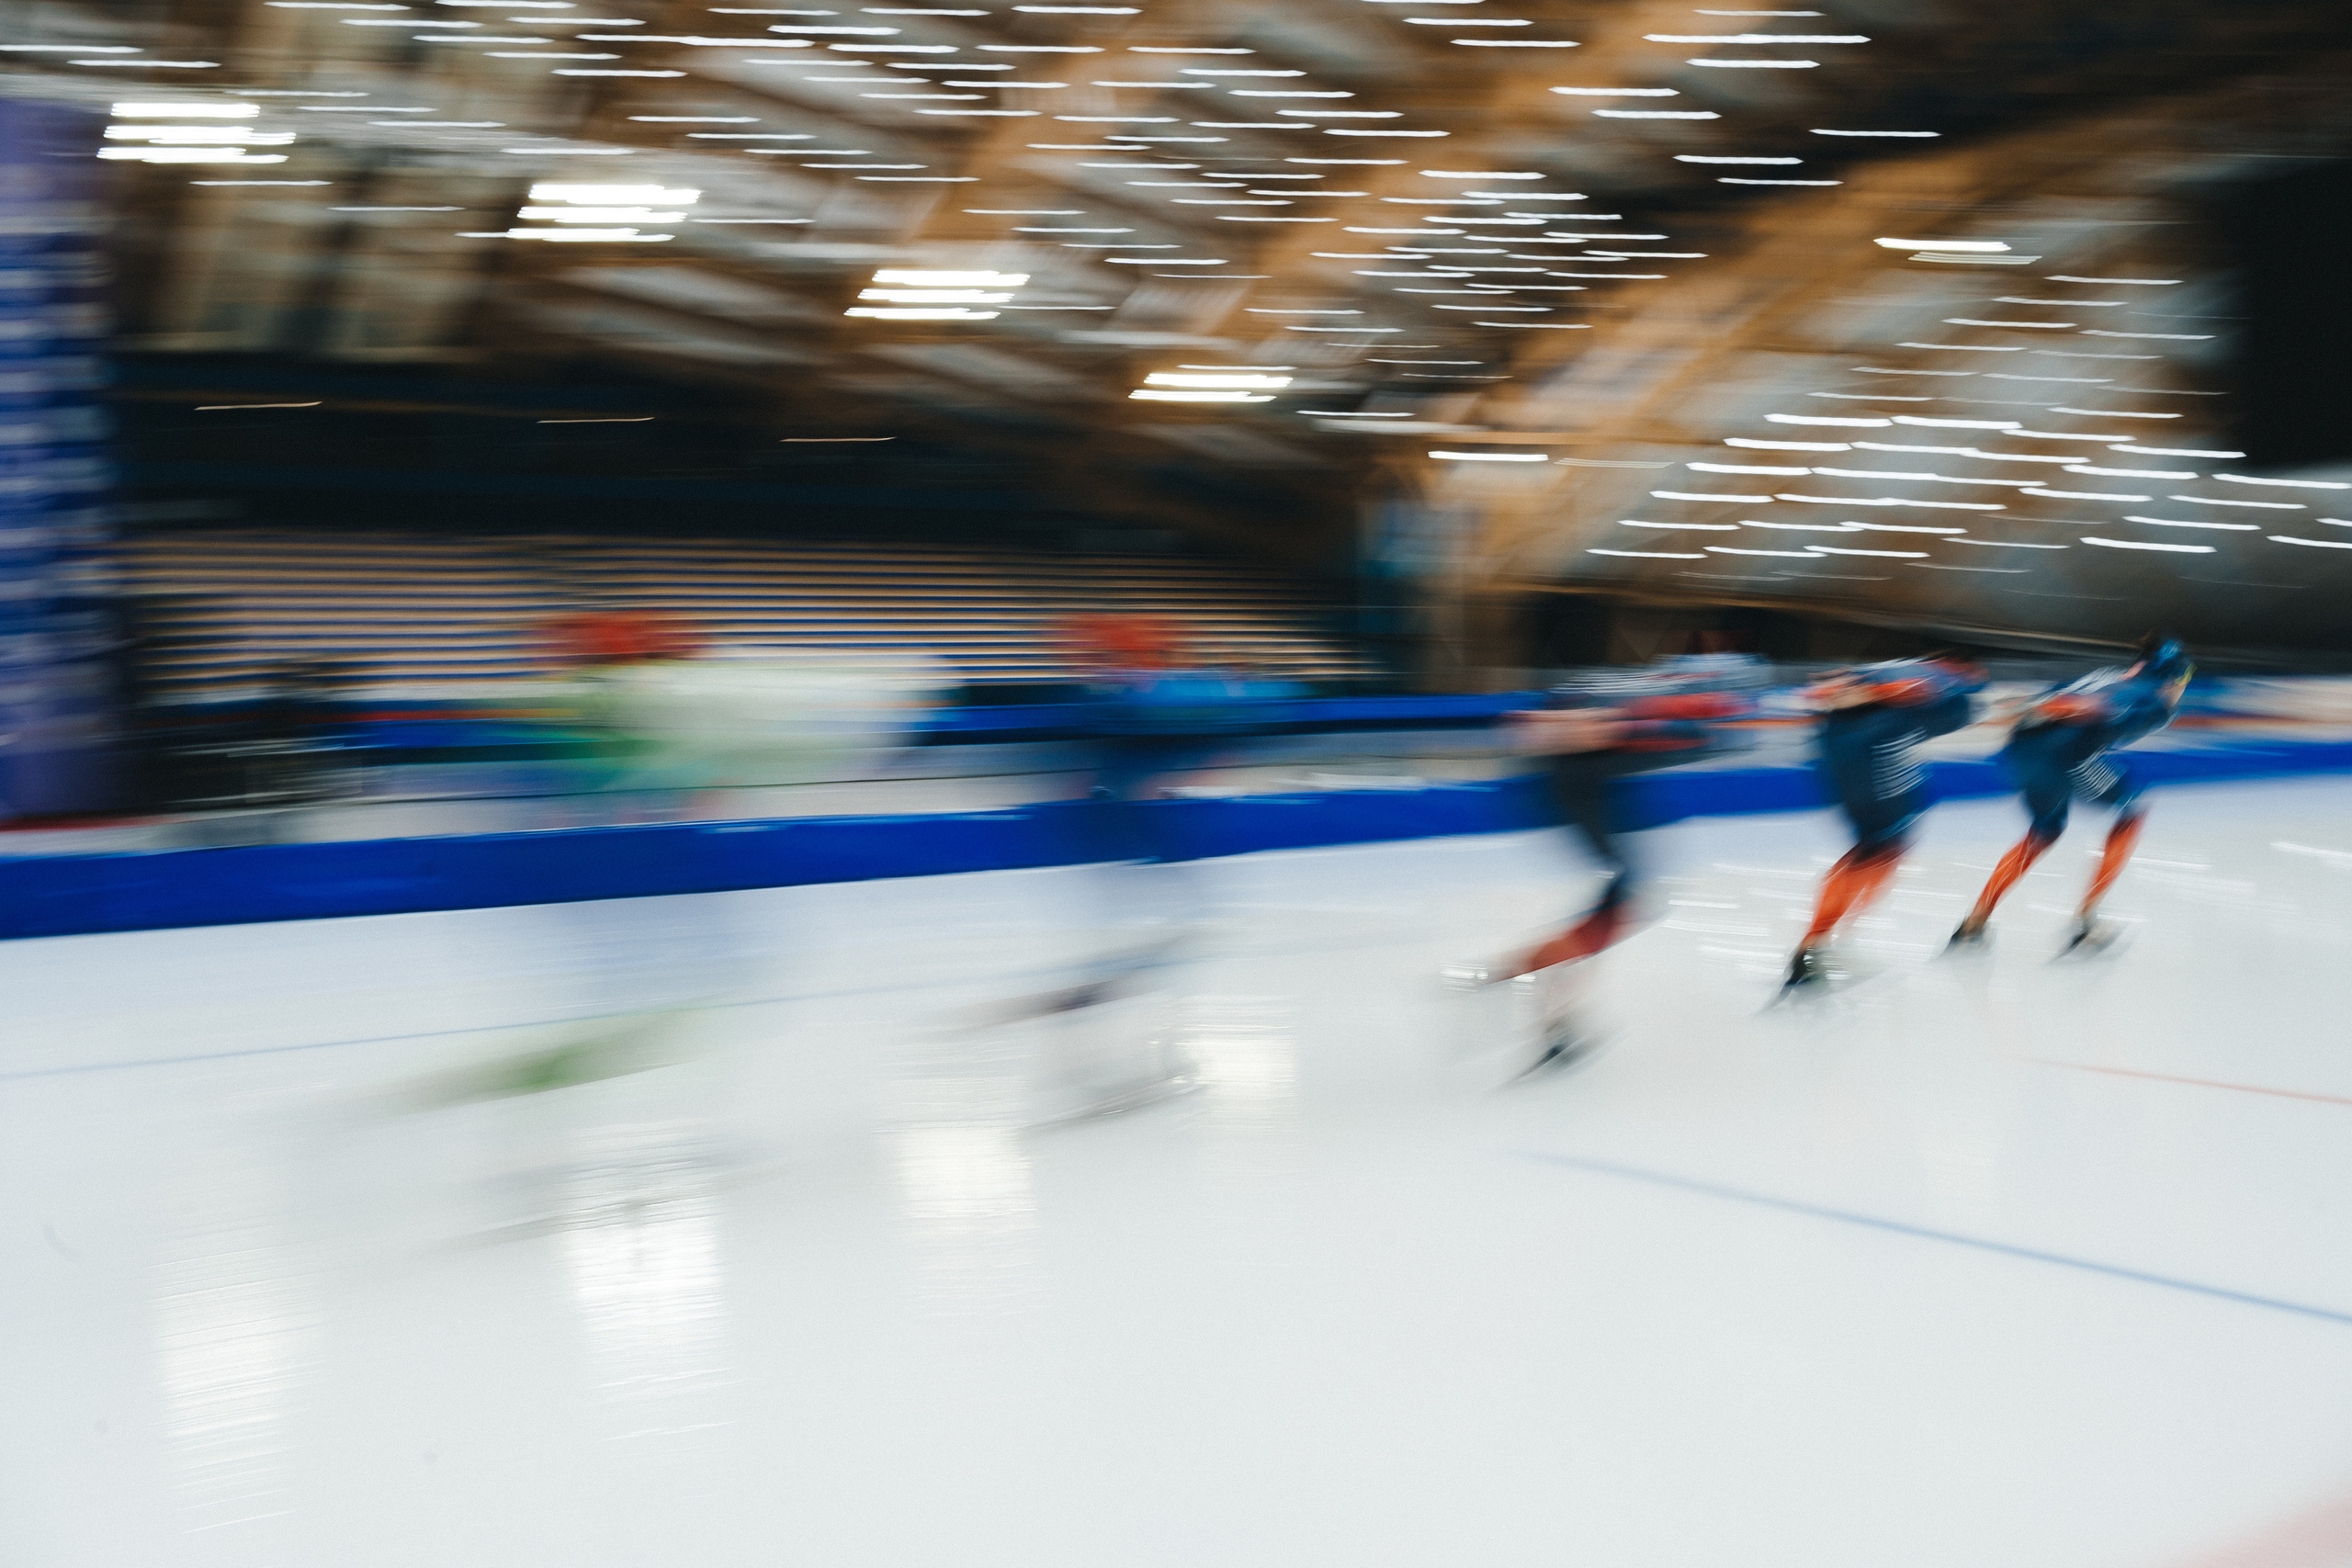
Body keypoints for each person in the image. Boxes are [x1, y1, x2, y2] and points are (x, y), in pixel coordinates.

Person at [1451, 657, 1761, 1071]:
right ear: (1558, 731)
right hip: (1621, 881)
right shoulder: (1578, 767)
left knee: (1581, 950)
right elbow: (1683, 742)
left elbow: (1674, 745)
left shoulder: (1584, 758)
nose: (1600, 728)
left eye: (1599, 721)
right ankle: (1509, 986)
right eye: (1586, 723)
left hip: (1621, 878)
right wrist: (1682, 715)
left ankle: (1545, 1016)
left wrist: (1667, 719)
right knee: (1579, 948)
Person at [1948, 634, 2193, 955]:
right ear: (2173, 676)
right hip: (2067, 753)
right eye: (2184, 681)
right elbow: (2093, 707)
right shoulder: (2153, 700)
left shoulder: (2103, 676)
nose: (2182, 690)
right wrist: (2054, 708)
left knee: (2044, 832)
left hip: (2021, 748)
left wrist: (2034, 707)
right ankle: (2086, 922)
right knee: (2131, 813)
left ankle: (1974, 923)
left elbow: (2057, 700)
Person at [1782, 652, 1989, 993]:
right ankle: (1813, 946)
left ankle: (1818, 942)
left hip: (1853, 776)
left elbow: (1830, 696)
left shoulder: (1857, 708)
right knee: (1876, 856)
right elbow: (1957, 714)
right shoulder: (1903, 706)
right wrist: (1956, 686)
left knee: (1867, 854)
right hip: (1881, 786)